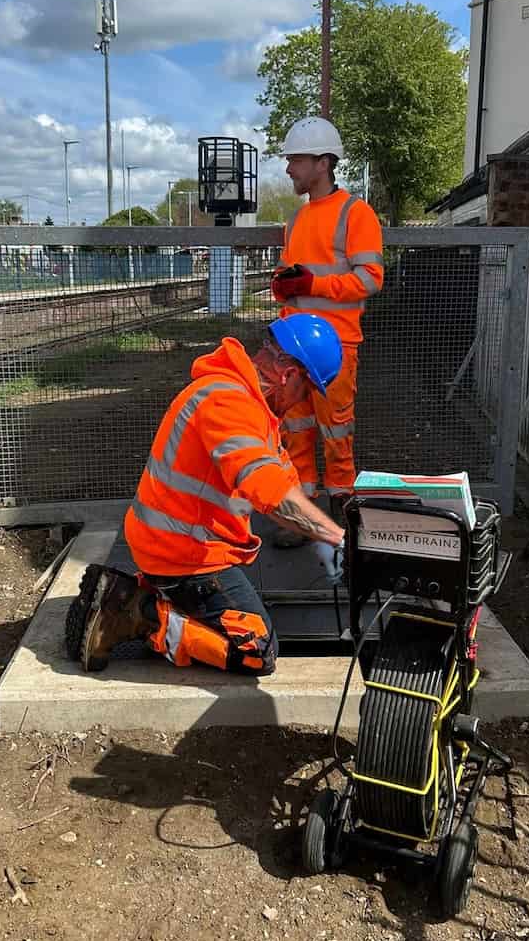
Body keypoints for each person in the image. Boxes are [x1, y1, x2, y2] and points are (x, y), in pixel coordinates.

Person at [65, 314, 346, 676]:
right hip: (183, 557)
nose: (301, 402)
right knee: (257, 650)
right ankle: (141, 614)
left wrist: (332, 534)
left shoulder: (250, 404)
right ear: (289, 375)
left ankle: (145, 598)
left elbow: (284, 482)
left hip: (176, 546)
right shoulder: (230, 404)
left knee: (244, 616)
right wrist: (336, 537)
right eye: (306, 392)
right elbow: (269, 491)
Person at [271, 117, 384, 544]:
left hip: (336, 347)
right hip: (294, 345)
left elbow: (371, 279)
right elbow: (288, 277)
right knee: (295, 429)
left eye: (296, 160)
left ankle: (344, 517)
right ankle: (306, 518)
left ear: (323, 162)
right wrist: (281, 284)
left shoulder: (357, 213)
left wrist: (311, 284)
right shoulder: (296, 221)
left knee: (337, 432)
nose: (289, 169)